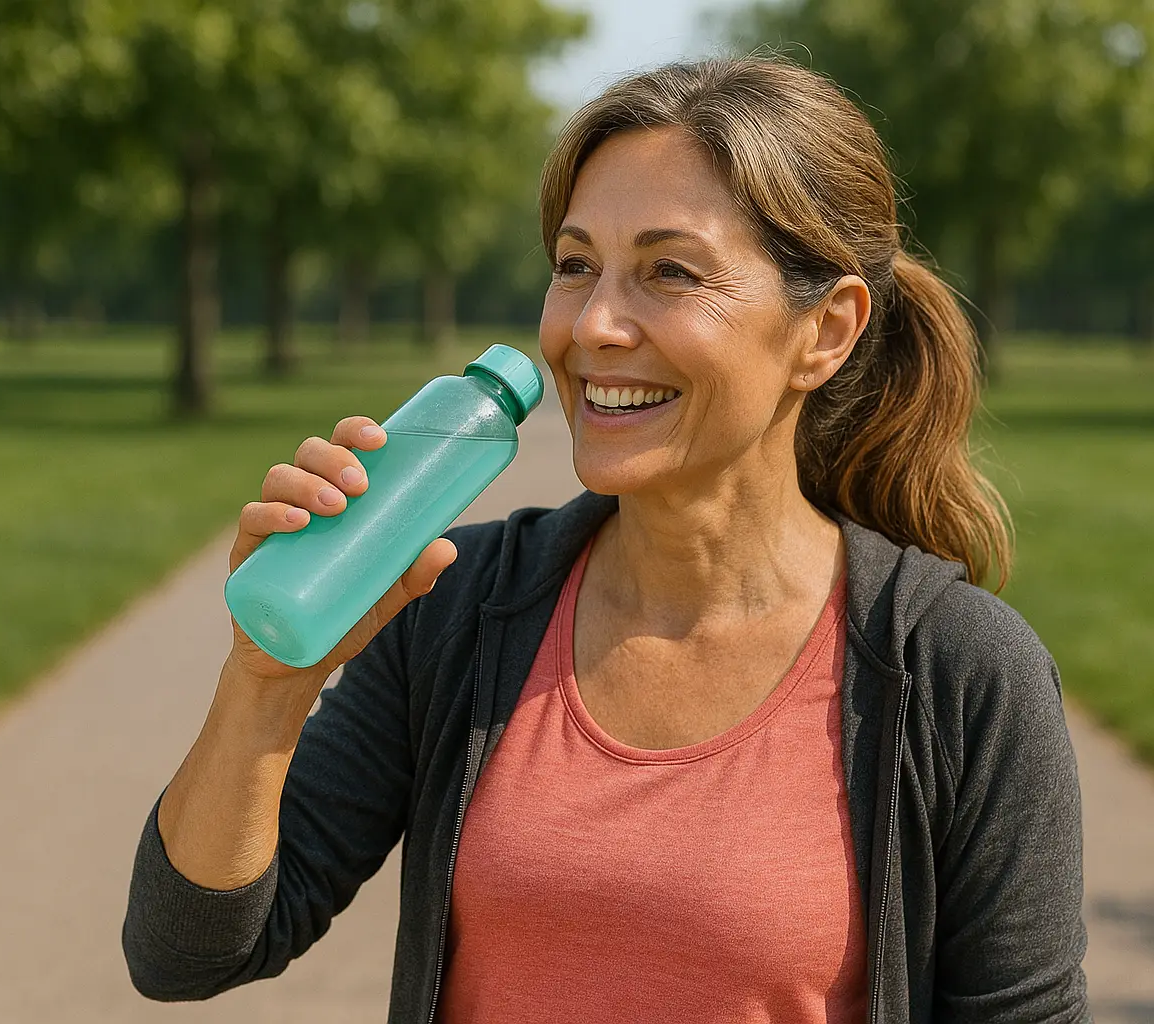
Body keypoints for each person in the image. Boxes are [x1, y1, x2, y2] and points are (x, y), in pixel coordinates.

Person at [122, 56, 1089, 1024]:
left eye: (670, 272)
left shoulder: (959, 673)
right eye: (576, 265)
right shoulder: (461, 605)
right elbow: (188, 951)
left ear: (826, 331)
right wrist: (266, 686)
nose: (594, 325)